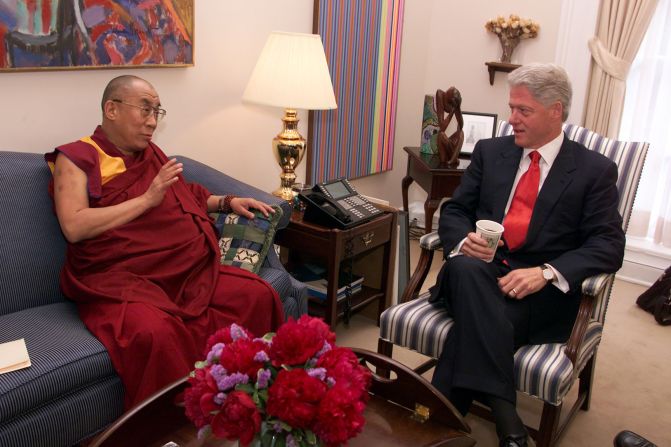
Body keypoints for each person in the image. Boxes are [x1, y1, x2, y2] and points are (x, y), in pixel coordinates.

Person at [45, 75, 284, 409]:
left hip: (184, 271)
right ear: (111, 109)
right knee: (155, 333)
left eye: (158, 111)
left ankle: (245, 396)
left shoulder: (150, 154)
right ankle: (174, 429)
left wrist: (226, 202)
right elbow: (74, 225)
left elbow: (183, 197)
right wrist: (147, 198)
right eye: (145, 110)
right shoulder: (77, 158)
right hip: (118, 279)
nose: (153, 122)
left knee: (257, 294)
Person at [428, 63, 625, 447]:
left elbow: (608, 244)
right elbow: (455, 210)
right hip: (479, 271)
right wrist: (463, 240)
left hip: (536, 294)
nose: (511, 119)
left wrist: (547, 272)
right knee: (466, 270)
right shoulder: (490, 152)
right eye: (511, 108)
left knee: (482, 320)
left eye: (523, 111)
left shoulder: (594, 171)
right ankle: (508, 422)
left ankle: (439, 422)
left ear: (556, 111)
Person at [436, 86, 464, 167]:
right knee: (441, 135)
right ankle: (454, 158)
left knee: (461, 133)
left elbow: (461, 126)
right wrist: (452, 112)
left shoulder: (454, 104)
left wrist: (458, 108)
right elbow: (442, 128)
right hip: (442, 149)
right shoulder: (440, 95)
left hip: (449, 149)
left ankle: (453, 159)